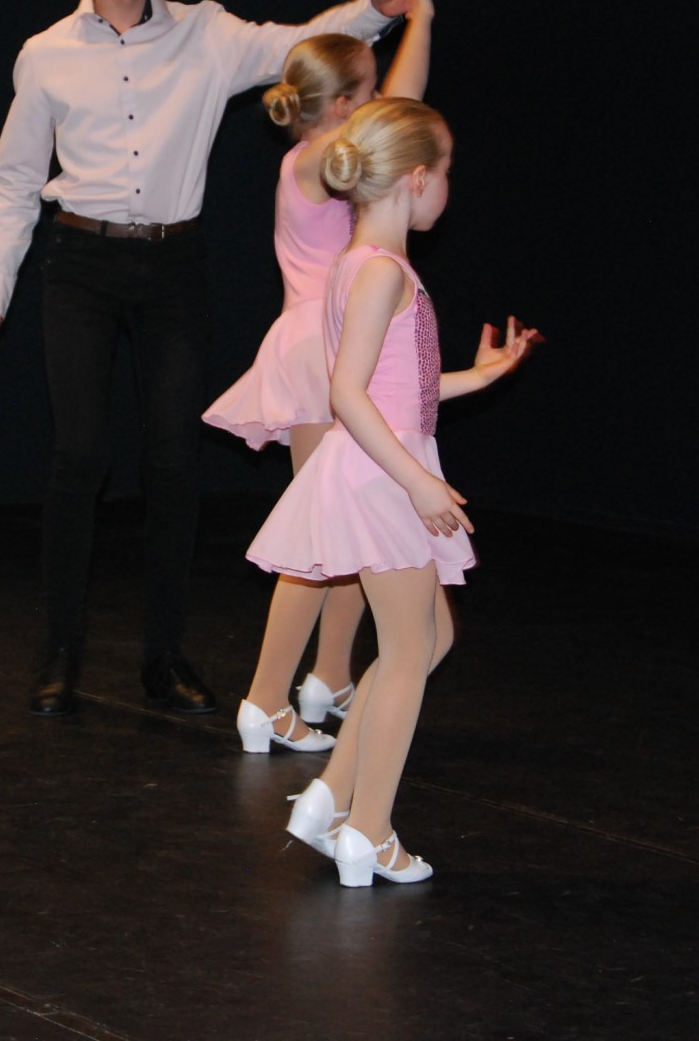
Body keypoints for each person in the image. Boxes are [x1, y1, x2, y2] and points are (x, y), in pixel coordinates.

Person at [0, 0, 444, 717]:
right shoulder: (46, 53)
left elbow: (303, 44)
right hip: (80, 261)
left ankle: (164, 656)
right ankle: (60, 652)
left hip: (172, 264)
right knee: (81, 457)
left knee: (174, 461)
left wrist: (378, 6)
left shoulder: (206, 33)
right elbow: (14, 179)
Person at [246, 98, 539, 885]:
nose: (448, 186)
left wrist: (482, 375)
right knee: (410, 651)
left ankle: (332, 793)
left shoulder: (361, 265)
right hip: (384, 476)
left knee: (429, 640)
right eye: (446, 170)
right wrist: (418, 482)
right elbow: (347, 394)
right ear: (415, 179)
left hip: (381, 465)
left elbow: (397, 389)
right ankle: (367, 832)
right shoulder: (379, 272)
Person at [205, 0, 436, 754]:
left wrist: (418, 20)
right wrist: (421, 21)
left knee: (354, 531)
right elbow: (406, 113)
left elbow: (400, 110)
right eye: (367, 93)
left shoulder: (318, 156)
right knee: (316, 538)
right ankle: (268, 699)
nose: (378, 103)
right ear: (340, 109)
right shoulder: (317, 161)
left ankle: (328, 676)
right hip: (319, 350)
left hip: (328, 339)